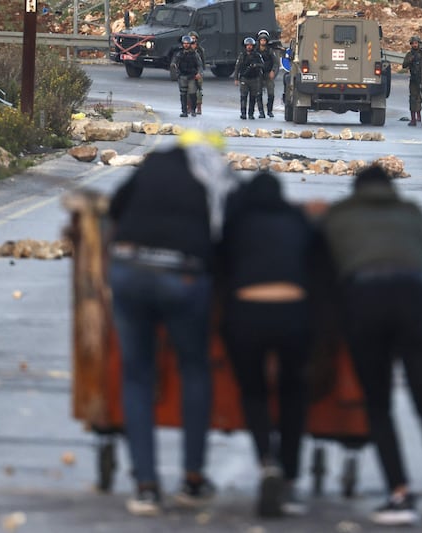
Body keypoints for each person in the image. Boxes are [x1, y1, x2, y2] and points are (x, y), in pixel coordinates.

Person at [107, 129, 239, 516]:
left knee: (137, 376)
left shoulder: (154, 165)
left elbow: (116, 208)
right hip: (182, 275)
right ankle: (192, 479)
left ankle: (146, 487)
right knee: (194, 368)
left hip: (129, 270)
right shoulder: (218, 177)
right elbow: (229, 235)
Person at [319, 164, 422, 530]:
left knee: (378, 404)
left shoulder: (340, 215)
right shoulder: (410, 211)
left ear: (356, 190)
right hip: (416, 295)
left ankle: (399, 492)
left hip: (366, 296)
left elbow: (326, 265)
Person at [218, 171, 316, 518]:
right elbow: (317, 261)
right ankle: (289, 474)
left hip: (247, 312)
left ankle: (266, 462)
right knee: (293, 392)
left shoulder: (238, 222)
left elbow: (221, 266)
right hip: (292, 310)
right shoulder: (296, 218)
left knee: (254, 391)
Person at [402, 35, 422, 126]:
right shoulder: (410, 54)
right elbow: (404, 65)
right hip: (414, 80)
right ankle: (413, 119)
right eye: (413, 43)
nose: (414, 45)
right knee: (413, 99)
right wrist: (410, 60)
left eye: (416, 43)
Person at [170, 35, 203, 117]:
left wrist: (199, 73)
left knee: (192, 94)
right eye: (184, 43)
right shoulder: (179, 53)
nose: (186, 45)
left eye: (187, 43)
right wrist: (174, 65)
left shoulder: (195, 54)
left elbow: (199, 65)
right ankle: (184, 111)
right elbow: (174, 61)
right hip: (182, 76)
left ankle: (193, 110)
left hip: (192, 76)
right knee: (183, 94)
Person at [234, 37, 265, 120]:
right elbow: (237, 67)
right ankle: (243, 113)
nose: (249, 47)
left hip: (254, 79)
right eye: (247, 45)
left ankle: (251, 114)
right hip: (244, 78)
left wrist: (256, 65)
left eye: (251, 45)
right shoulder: (242, 55)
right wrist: (236, 78)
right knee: (243, 96)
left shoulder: (257, 55)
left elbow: (263, 65)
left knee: (253, 97)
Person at [255, 29, 280, 118]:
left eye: (264, 40)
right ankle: (261, 112)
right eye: (261, 40)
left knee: (271, 93)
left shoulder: (270, 51)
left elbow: (276, 62)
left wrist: (273, 71)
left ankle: (269, 111)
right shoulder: (255, 51)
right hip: (258, 74)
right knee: (258, 94)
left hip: (268, 73)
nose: (263, 42)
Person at [189, 31, 206, 115]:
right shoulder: (185, 50)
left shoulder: (200, 50)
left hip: (198, 72)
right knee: (188, 90)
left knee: (198, 90)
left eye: (194, 38)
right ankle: (189, 107)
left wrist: (200, 73)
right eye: (191, 38)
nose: (193, 40)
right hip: (188, 72)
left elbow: (202, 62)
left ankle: (198, 107)